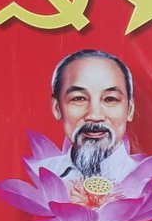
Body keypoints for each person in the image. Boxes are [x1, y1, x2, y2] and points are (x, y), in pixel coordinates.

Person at [31, 50, 140, 182]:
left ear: (130, 110)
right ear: (57, 107)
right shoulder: (37, 174)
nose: (94, 116)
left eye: (110, 99)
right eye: (79, 99)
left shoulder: (147, 180)